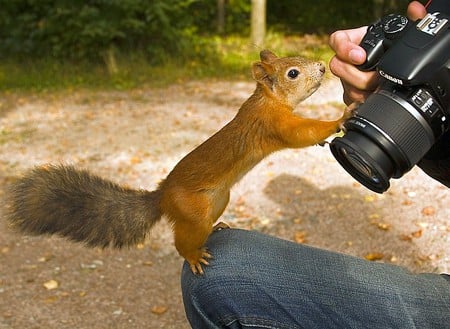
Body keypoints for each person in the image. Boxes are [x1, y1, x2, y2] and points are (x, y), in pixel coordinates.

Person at [180, 1, 450, 328]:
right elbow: (292, 132)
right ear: (270, 83)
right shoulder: (264, 113)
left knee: (217, 272)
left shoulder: (268, 114)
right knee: (218, 270)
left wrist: (338, 121)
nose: (317, 69)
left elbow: (295, 133)